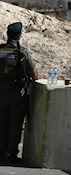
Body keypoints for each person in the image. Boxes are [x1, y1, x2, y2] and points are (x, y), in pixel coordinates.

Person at [0, 22, 39, 164]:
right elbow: (34, 74)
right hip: (17, 95)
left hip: (1, 94)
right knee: (15, 125)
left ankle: (1, 152)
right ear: (19, 35)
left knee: (2, 123)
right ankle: (11, 154)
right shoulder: (22, 52)